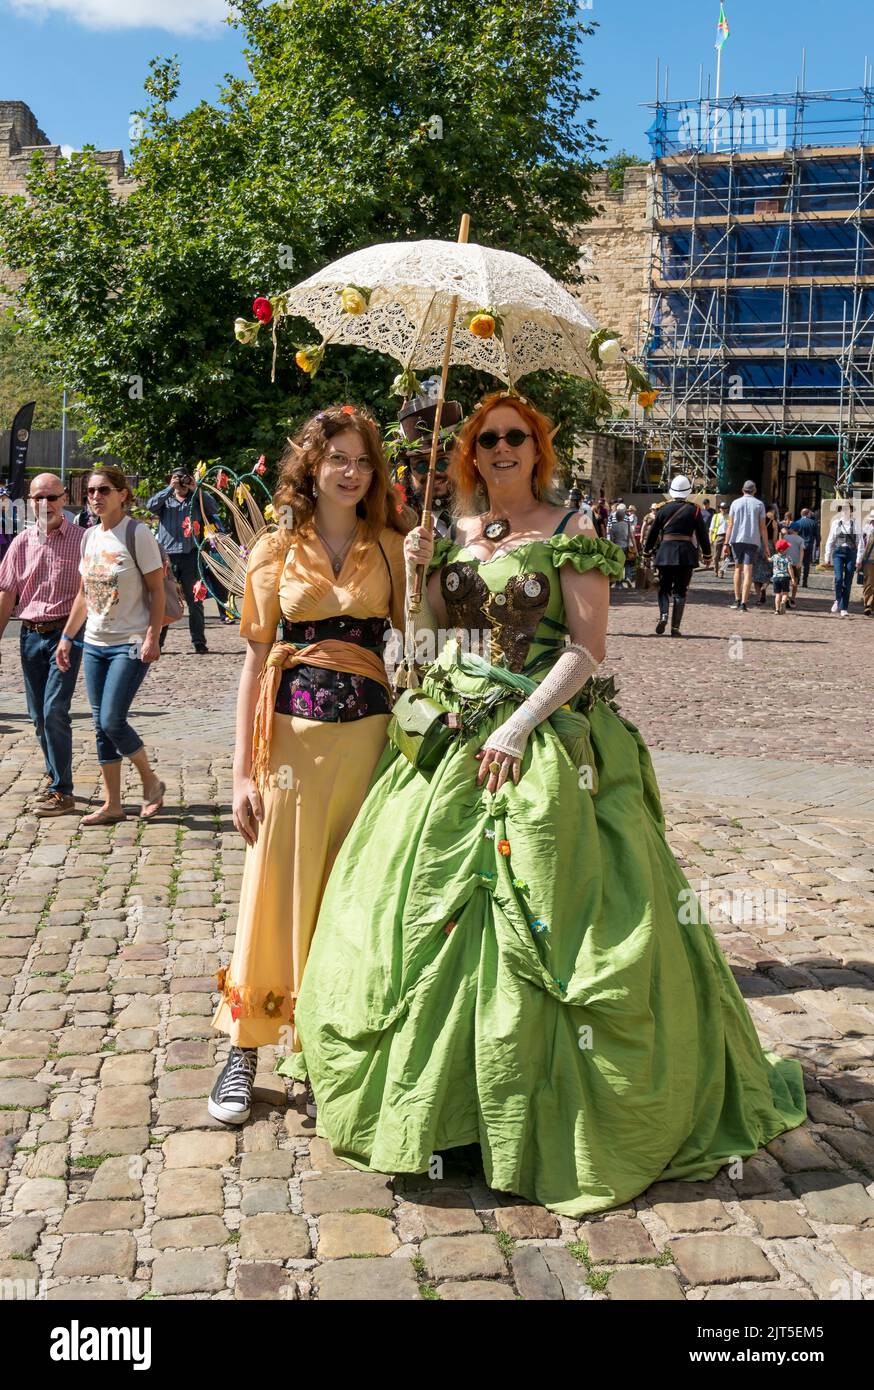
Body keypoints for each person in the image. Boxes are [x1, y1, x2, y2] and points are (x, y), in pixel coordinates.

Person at [278, 390, 806, 1218]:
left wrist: (520, 726)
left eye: (515, 437)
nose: (499, 448)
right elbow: (426, 643)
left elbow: (589, 650)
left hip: (542, 739)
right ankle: (440, 1114)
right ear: (469, 453)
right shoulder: (448, 533)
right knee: (405, 914)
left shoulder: (570, 534)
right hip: (448, 736)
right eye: (485, 438)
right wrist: (418, 578)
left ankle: (525, 1121)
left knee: (553, 921)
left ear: (539, 447)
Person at [207, 404, 408, 1125]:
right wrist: (240, 775)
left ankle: (327, 1050)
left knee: (349, 900)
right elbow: (255, 663)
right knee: (273, 891)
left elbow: (420, 645)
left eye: (363, 461)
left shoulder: (392, 548)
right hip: (288, 743)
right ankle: (244, 1049)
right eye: (338, 459)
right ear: (312, 467)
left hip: (370, 747)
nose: (352, 472)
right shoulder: (274, 550)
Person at [54, 466, 166, 825]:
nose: (96, 497)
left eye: (104, 490)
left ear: (122, 494)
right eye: (90, 491)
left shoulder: (137, 533)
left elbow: (157, 590)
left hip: (129, 643)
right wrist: (68, 637)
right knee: (101, 727)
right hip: (95, 643)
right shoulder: (89, 538)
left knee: (112, 719)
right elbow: (85, 595)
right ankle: (113, 804)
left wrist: (152, 636)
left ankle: (150, 781)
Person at [0, 473, 87, 817]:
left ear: (64, 499)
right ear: (30, 501)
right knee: (37, 717)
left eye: (51, 497)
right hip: (30, 635)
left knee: (54, 710)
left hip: (66, 634)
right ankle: (56, 778)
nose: (45, 504)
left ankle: (62, 791)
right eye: (38, 498)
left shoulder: (82, 540)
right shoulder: (21, 543)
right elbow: (7, 594)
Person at [147, 468, 222, 653]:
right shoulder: (166, 499)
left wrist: (196, 488)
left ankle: (199, 642)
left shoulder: (195, 499)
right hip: (167, 556)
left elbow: (214, 508)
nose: (180, 482)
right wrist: (169, 489)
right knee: (163, 600)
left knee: (195, 600)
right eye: (176, 478)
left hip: (190, 555)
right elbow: (150, 506)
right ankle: (158, 642)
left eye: (183, 478)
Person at [643, 473, 712, 636]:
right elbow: (703, 534)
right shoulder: (694, 510)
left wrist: (646, 552)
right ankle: (675, 628)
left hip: (666, 553)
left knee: (664, 588)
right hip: (686, 555)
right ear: (688, 491)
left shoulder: (662, 509)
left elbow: (652, 533)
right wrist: (707, 555)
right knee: (681, 591)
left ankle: (664, 615)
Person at [394, 379, 462, 536]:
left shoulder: (489, 509)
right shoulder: (398, 526)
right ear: (409, 471)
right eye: (421, 465)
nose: (432, 473)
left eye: (443, 462)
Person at [723, 480, 770, 612]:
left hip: (736, 539)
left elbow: (730, 525)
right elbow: (762, 528)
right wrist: (766, 546)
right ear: (754, 491)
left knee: (738, 569)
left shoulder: (735, 503)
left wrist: (726, 543)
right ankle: (744, 602)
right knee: (748, 570)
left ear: (742, 490)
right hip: (752, 539)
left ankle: (737, 599)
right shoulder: (759, 504)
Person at [824, 501, 858, 617]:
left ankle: (844, 608)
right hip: (838, 552)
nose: (845, 510)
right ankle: (837, 600)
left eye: (847, 508)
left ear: (850, 510)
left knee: (848, 582)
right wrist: (826, 556)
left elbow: (860, 543)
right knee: (838, 579)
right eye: (843, 509)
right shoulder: (836, 523)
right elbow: (830, 540)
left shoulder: (855, 523)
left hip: (851, 553)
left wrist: (858, 558)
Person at [752, 508, 780, 606]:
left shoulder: (759, 521)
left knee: (755, 573)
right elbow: (775, 539)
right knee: (768, 571)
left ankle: (759, 597)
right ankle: (764, 587)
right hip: (769, 547)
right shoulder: (775, 523)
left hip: (758, 545)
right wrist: (777, 551)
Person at [608, 503, 637, 588]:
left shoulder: (613, 527)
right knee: (627, 563)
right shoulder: (626, 525)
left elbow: (612, 539)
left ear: (616, 517)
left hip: (616, 547)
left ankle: (618, 582)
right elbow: (630, 536)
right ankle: (627, 577)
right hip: (625, 546)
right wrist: (633, 546)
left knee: (618, 564)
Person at [789, 508, 819, 587]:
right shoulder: (813, 523)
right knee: (806, 564)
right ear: (808, 513)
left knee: (798, 562)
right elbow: (817, 535)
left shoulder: (797, 522)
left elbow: (791, 533)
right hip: (808, 545)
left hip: (798, 545)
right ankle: (805, 581)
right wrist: (818, 544)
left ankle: (797, 579)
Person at [779, 524, 804, 608]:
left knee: (784, 581)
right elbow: (801, 551)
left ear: (792, 529)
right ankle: (792, 599)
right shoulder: (801, 539)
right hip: (795, 563)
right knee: (795, 582)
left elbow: (781, 547)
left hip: (785, 562)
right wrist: (800, 562)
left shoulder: (786, 537)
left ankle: (784, 598)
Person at [771, 538, 794, 614]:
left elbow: (769, 559)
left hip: (776, 577)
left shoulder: (774, 557)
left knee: (777, 594)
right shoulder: (788, 558)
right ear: (783, 550)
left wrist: (766, 554)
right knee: (785, 593)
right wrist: (793, 578)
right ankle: (783, 602)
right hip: (785, 577)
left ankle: (777, 610)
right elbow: (790, 568)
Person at [857, 510, 874, 616]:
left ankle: (871, 605)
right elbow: (861, 546)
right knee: (869, 583)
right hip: (869, 560)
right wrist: (858, 560)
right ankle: (867, 605)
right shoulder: (866, 530)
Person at [710, 501, 729, 576]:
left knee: (725, 556)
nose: (723, 509)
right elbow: (711, 528)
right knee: (715, 556)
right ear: (719, 509)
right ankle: (716, 570)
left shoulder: (730, 516)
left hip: (727, 537)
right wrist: (710, 538)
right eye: (722, 508)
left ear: (727, 509)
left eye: (725, 508)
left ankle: (722, 572)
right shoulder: (716, 516)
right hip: (718, 536)